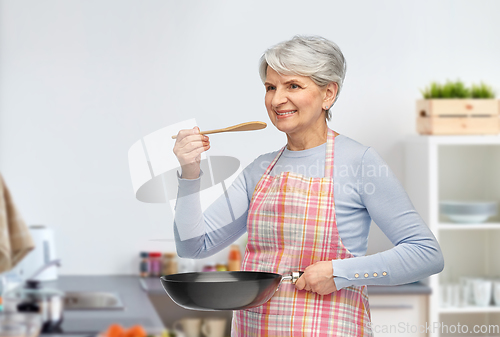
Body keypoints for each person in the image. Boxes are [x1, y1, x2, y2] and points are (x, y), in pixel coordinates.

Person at [172, 35, 444, 336]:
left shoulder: (359, 162)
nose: (277, 100)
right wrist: (190, 171)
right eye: (270, 87)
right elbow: (193, 245)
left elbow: (426, 255)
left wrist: (340, 273)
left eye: (293, 86)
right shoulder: (261, 169)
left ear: (328, 93)